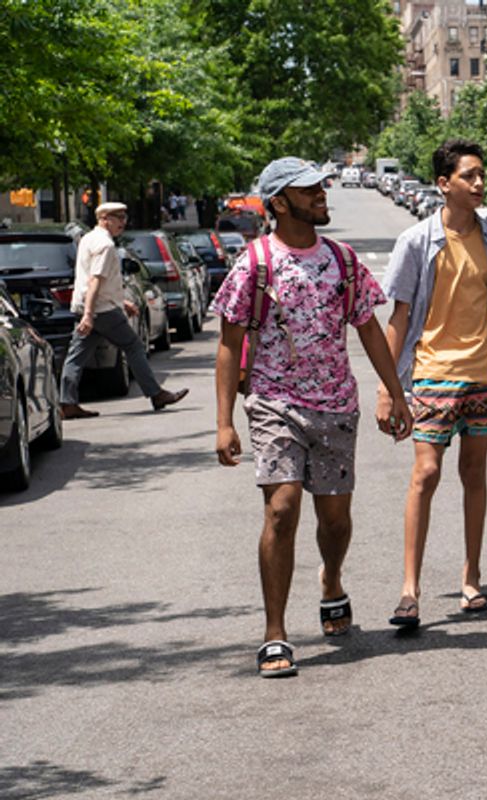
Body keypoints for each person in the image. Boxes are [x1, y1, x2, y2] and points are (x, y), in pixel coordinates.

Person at [210, 157, 408, 678]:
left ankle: (332, 579)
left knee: (335, 520)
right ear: (279, 202)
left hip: (337, 405)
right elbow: (230, 344)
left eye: (321, 185)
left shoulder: (343, 261)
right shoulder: (255, 263)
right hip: (275, 404)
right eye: (309, 189)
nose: (322, 193)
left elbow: (368, 327)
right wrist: (224, 420)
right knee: (282, 509)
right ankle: (275, 632)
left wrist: (397, 392)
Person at [376, 139, 487, 628]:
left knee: (475, 476)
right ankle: (409, 589)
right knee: (425, 474)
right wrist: (389, 390)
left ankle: (471, 576)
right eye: (469, 176)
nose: (478, 184)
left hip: (483, 372)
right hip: (432, 371)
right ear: (443, 184)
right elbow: (399, 317)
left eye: (481, 176)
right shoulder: (416, 241)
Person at [59, 201, 189, 420]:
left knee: (76, 356)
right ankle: (156, 394)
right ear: (104, 219)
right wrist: (91, 314)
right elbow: (95, 281)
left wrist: (120, 302)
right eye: (118, 218)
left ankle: (67, 403)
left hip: (91, 306)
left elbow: (102, 281)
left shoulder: (88, 239)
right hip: (101, 310)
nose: (123, 222)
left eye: (124, 217)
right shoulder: (105, 245)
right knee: (133, 346)